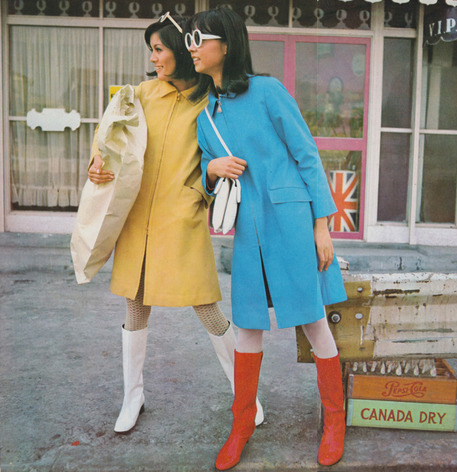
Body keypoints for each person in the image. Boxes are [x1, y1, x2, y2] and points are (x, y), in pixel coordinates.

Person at [186, 7, 348, 470]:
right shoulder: (205, 116)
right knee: (248, 325)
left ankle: (335, 421)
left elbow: (306, 154)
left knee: (313, 321)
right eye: (189, 39)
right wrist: (212, 169)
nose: (192, 47)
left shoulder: (268, 91)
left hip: (292, 221)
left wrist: (322, 225)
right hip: (248, 230)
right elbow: (206, 176)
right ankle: (241, 426)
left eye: (199, 38)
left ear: (226, 44)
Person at [87, 12, 263, 434]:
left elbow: (225, 156)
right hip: (137, 219)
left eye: (159, 49)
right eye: (152, 51)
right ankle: (133, 396)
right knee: (135, 305)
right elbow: (110, 136)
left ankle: (246, 395)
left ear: (181, 51)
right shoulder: (142, 93)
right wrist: (97, 162)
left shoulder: (211, 102)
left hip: (181, 219)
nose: (153, 58)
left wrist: (202, 186)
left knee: (207, 308)